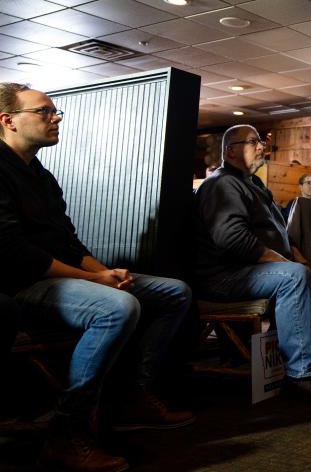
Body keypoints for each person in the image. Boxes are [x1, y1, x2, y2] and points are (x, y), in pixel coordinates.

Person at [0, 83, 193, 472]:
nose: (55, 118)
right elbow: (14, 254)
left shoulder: (40, 174)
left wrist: (103, 271)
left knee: (174, 292)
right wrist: (94, 282)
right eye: (43, 111)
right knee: (116, 307)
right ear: (8, 121)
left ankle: (134, 395)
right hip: (17, 286)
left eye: (55, 112)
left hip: (55, 278)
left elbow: (68, 242)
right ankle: (66, 432)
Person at [194, 125, 311, 400]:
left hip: (253, 270)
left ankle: (276, 353)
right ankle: (302, 374)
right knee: (293, 276)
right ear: (230, 150)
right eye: (253, 142)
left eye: (261, 141)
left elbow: (278, 231)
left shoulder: (253, 184)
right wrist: (284, 261)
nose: (262, 147)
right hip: (223, 276)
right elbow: (233, 240)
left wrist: (296, 255)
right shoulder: (221, 184)